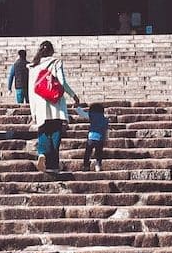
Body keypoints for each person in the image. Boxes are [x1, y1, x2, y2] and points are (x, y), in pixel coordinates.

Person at [27, 40, 84, 174]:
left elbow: (31, 90)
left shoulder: (33, 66)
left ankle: (42, 153)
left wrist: (33, 110)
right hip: (55, 101)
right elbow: (62, 82)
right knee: (56, 132)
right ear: (52, 51)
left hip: (40, 103)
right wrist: (73, 96)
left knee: (44, 130)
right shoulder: (56, 62)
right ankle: (53, 164)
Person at [80, 102, 110, 171]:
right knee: (99, 153)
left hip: (91, 138)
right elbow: (106, 130)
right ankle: (98, 165)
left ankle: (86, 166)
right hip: (100, 139)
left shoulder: (92, 115)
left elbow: (82, 114)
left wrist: (77, 108)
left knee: (87, 153)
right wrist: (106, 138)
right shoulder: (105, 119)